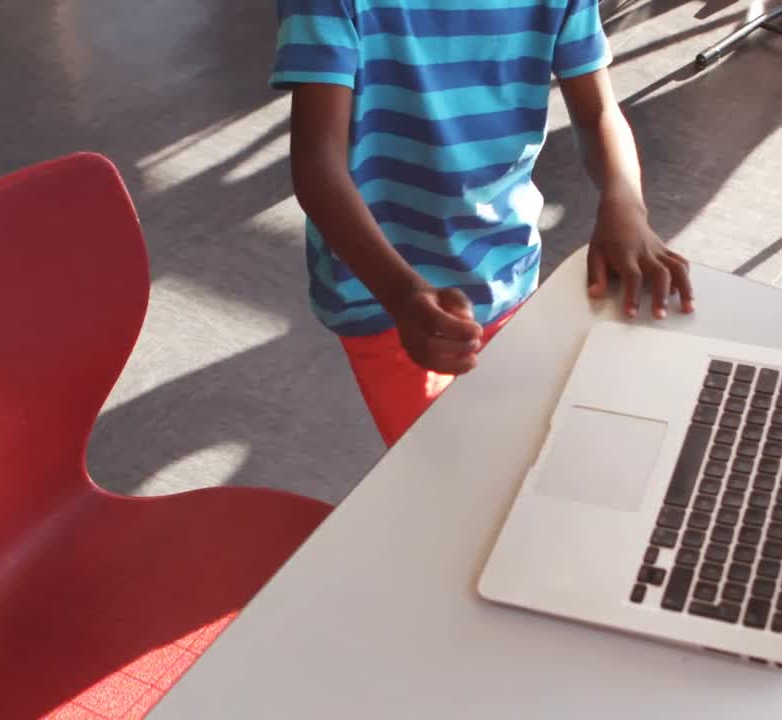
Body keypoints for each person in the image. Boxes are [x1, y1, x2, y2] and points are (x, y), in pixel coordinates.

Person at [272, 0, 693, 446]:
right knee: (445, 467)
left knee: (520, 450)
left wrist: (625, 201)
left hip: (508, 270)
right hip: (382, 295)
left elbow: (598, 112)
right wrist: (402, 294)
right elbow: (318, 167)